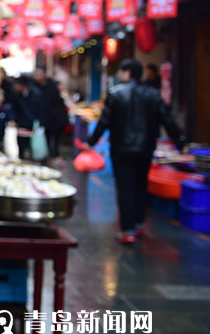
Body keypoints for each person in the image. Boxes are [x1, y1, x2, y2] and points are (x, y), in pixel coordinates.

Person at [85, 58, 186, 244]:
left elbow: (104, 121)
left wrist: (91, 141)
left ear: (127, 72)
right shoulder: (153, 94)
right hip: (145, 149)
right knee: (140, 185)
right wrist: (179, 142)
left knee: (125, 187)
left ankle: (127, 229)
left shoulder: (116, 93)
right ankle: (138, 224)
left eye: (122, 72)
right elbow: (167, 120)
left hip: (121, 149)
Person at [33, 66, 69, 164]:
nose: (37, 77)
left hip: (56, 117)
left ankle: (55, 156)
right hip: (44, 118)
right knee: (46, 139)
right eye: (36, 74)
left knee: (56, 139)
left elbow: (56, 103)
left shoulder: (53, 86)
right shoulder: (34, 87)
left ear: (44, 74)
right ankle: (48, 156)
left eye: (39, 74)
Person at [9, 75, 44, 160]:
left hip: (32, 125)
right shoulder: (17, 95)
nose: (15, 87)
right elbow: (13, 108)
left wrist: (41, 123)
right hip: (21, 124)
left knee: (32, 147)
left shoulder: (36, 93)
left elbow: (41, 109)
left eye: (16, 85)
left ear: (22, 85)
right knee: (21, 145)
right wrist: (13, 119)